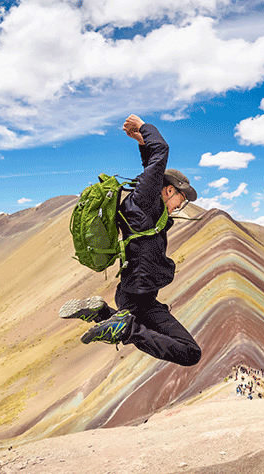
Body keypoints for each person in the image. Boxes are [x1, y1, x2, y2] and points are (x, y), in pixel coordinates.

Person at [58, 114, 202, 367]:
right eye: (182, 197)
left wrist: (140, 143)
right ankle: (120, 326)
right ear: (169, 190)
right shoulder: (145, 200)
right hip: (139, 293)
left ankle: (102, 314)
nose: (181, 205)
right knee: (190, 353)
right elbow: (161, 153)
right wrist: (145, 128)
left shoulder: (144, 204)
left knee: (145, 330)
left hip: (134, 294)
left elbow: (151, 166)